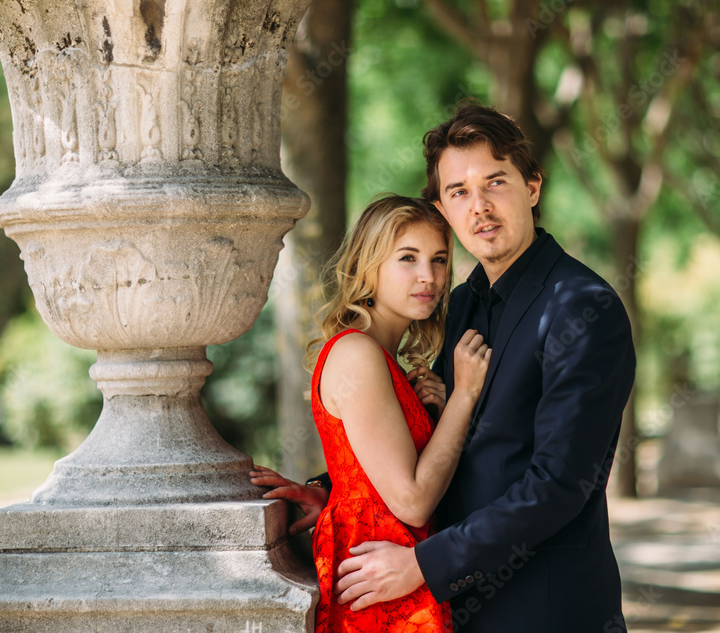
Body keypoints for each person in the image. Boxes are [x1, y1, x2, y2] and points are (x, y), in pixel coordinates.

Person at [253, 103, 636, 632]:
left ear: (532, 187)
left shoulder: (583, 308)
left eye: (495, 182)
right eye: (459, 192)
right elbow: (427, 438)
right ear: (443, 209)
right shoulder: (462, 304)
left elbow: (559, 486)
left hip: (543, 610)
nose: (480, 207)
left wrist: (424, 565)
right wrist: (342, 491)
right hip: (453, 611)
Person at [257, 194, 492, 632]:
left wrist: (437, 412)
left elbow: (373, 476)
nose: (429, 276)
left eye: (439, 260)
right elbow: (413, 502)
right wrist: (465, 396)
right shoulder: (357, 354)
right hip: (377, 585)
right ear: (368, 267)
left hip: (395, 574)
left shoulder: (386, 360)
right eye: (408, 258)